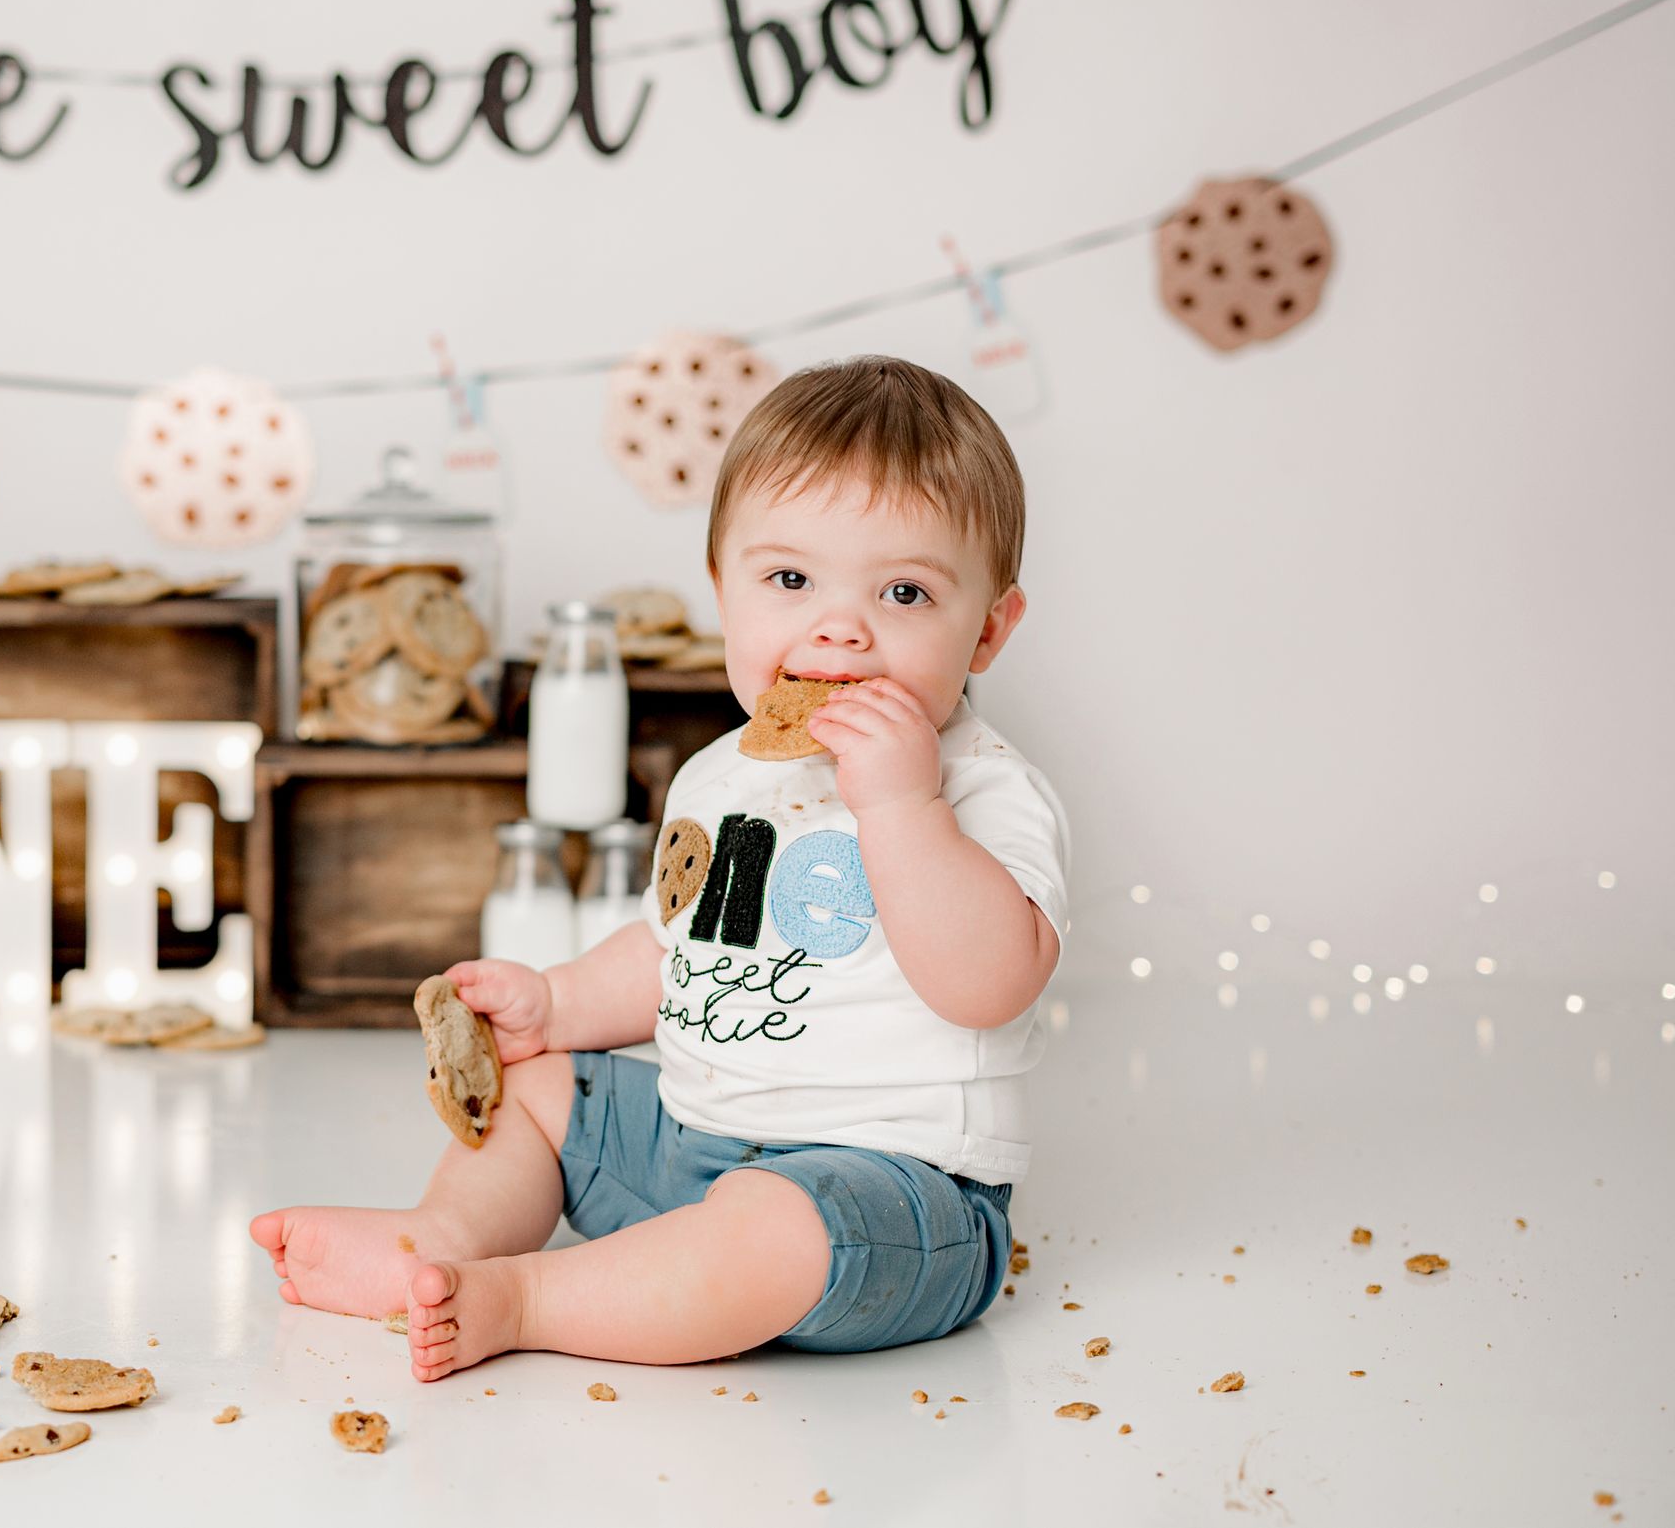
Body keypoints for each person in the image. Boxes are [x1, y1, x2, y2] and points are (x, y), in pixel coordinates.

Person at [252, 354, 1071, 1380]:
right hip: (693, 1145)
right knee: (540, 1092)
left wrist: (904, 807)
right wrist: (556, 1003)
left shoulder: (986, 789)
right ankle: (444, 1243)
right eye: (789, 581)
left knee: (775, 1226)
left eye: (904, 592)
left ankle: (529, 1298)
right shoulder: (719, 776)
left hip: (891, 1197)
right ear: (723, 591)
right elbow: (675, 946)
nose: (840, 626)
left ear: (988, 628)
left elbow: (987, 985)